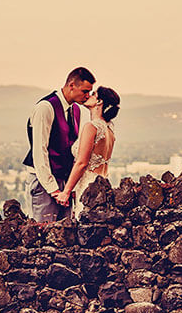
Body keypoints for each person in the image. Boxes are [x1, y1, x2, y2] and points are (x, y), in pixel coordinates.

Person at [24, 67, 95, 221]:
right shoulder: (45, 107)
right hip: (44, 183)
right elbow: (39, 151)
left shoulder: (75, 110)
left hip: (64, 183)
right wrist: (53, 189)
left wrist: (69, 188)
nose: (87, 95)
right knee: (42, 234)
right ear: (71, 85)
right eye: (84, 91)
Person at [56, 86, 120, 218]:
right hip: (103, 185)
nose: (88, 96)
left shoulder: (92, 127)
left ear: (99, 102)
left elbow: (82, 163)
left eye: (93, 94)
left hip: (87, 187)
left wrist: (66, 191)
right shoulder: (110, 130)